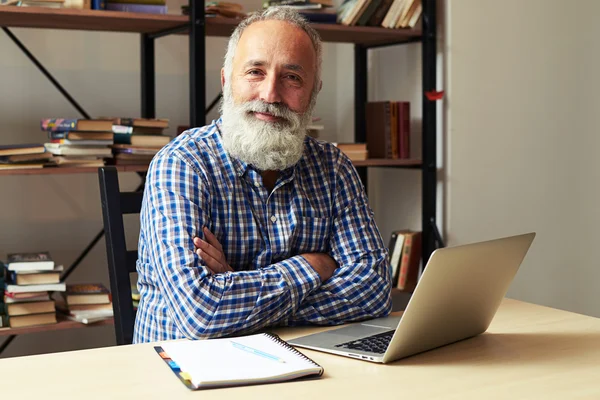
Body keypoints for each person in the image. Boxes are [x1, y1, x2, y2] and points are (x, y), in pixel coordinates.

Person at [133, 7, 392, 343]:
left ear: (313, 92)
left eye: (292, 78)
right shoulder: (182, 164)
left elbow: (374, 291)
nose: (270, 95)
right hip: (180, 374)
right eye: (255, 71)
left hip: (304, 363)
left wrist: (235, 286)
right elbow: (202, 314)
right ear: (226, 80)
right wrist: (314, 267)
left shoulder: (333, 167)